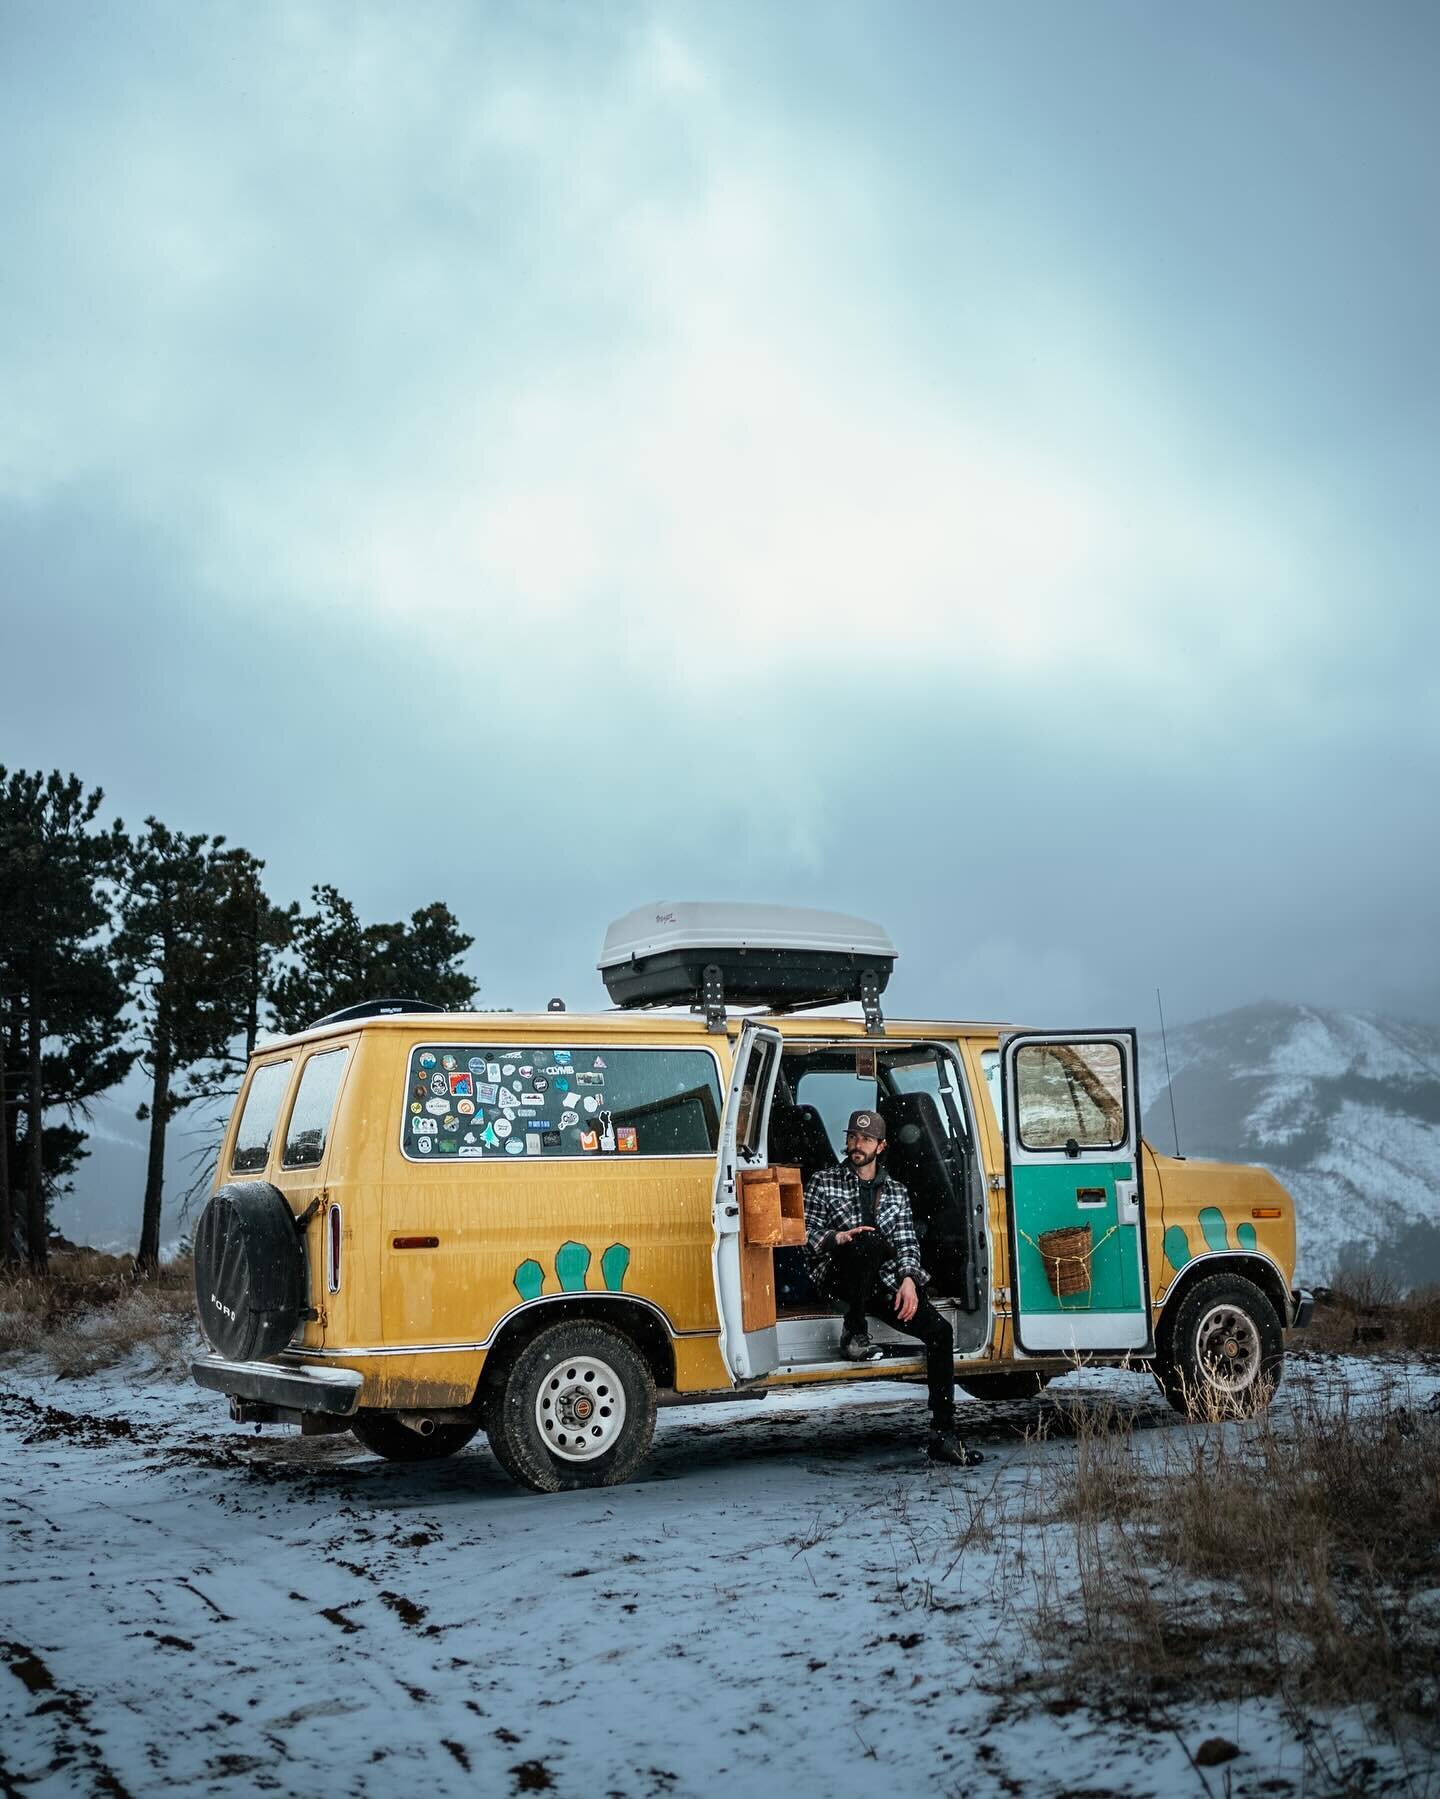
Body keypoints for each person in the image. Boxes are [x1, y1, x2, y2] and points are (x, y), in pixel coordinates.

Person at [804, 1108, 982, 1467]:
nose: (857, 1145)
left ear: (881, 1146)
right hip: (838, 1276)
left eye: (866, 1140)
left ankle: (944, 1434)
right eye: (853, 1136)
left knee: (940, 1332)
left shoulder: (897, 1192)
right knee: (865, 1243)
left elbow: (907, 1244)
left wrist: (909, 1281)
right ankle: (855, 1334)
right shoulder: (824, 1181)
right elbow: (803, 1236)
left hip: (881, 1284)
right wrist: (837, 1238)